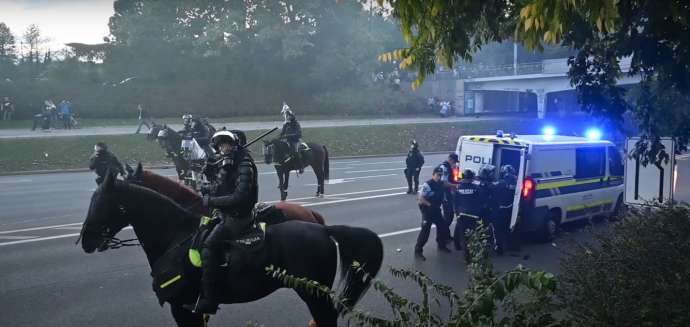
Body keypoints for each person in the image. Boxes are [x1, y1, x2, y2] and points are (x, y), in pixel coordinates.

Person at [188, 130, 258, 314]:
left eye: (225, 144)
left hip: (239, 216)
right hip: (226, 213)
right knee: (199, 234)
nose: (222, 149)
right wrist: (206, 187)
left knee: (209, 246)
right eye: (219, 146)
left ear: (234, 145)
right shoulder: (229, 163)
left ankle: (210, 300)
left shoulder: (244, 164)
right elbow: (219, 187)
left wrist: (210, 201)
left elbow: (239, 197)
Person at [414, 167, 452, 260]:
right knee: (425, 230)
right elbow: (420, 199)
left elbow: (447, 184)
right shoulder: (428, 185)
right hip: (427, 210)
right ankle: (418, 251)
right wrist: (429, 204)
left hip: (436, 210)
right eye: (438, 175)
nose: (439, 177)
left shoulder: (441, 183)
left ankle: (441, 245)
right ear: (433, 174)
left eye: (441, 175)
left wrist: (456, 185)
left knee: (442, 226)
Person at [454, 169, 483, 261]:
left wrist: (457, 213)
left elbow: (455, 201)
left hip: (462, 215)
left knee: (463, 236)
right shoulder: (476, 188)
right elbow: (481, 201)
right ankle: (473, 255)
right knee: (473, 235)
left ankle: (466, 256)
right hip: (473, 215)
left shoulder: (458, 188)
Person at [491, 165, 517, 255]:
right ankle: (511, 246)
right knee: (508, 228)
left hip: (500, 209)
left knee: (498, 229)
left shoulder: (499, 183)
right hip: (510, 208)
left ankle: (499, 248)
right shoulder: (516, 181)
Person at [437, 153, 459, 241]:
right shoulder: (444, 168)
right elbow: (444, 183)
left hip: (448, 193)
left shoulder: (449, 167)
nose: (454, 163)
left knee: (448, 216)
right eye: (454, 161)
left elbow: (452, 178)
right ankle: (442, 237)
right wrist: (455, 186)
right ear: (450, 159)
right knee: (448, 216)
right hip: (445, 195)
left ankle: (446, 235)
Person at [279, 104, 303, 173]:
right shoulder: (286, 124)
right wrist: (279, 137)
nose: (286, 117)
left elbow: (298, 134)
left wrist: (288, 136)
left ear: (291, 116)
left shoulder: (296, 123)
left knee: (296, 152)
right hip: (287, 141)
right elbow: (282, 133)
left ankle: (300, 167)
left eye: (288, 116)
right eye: (286, 116)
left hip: (295, 141)